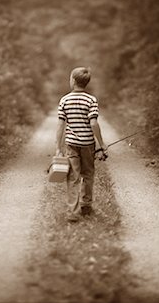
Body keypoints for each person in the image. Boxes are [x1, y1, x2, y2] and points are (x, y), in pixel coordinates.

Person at [55, 67, 108, 222]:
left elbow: (60, 126)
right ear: (86, 82)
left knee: (73, 176)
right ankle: (86, 206)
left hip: (71, 144)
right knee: (88, 174)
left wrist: (58, 147)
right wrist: (102, 144)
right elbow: (93, 124)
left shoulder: (64, 100)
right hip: (87, 144)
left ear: (72, 80)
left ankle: (73, 211)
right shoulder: (91, 100)